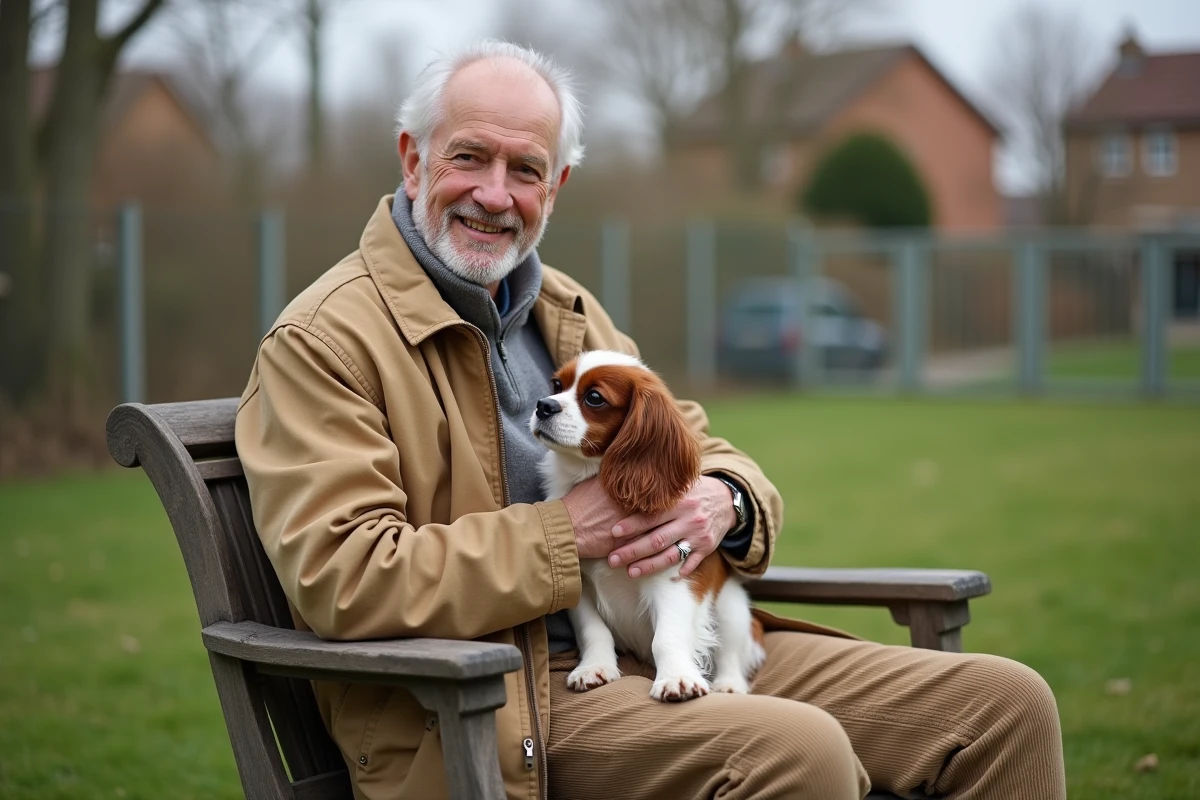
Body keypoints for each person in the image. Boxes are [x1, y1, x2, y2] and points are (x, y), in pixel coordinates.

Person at [235, 39, 1066, 800]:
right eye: (469, 157)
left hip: (674, 640)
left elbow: (705, 449)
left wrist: (725, 501)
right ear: (413, 159)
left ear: (555, 189)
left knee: (1006, 707)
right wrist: (571, 533)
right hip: (496, 701)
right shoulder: (324, 341)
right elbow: (345, 577)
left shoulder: (565, 312)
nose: (495, 193)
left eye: (526, 169)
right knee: (798, 752)